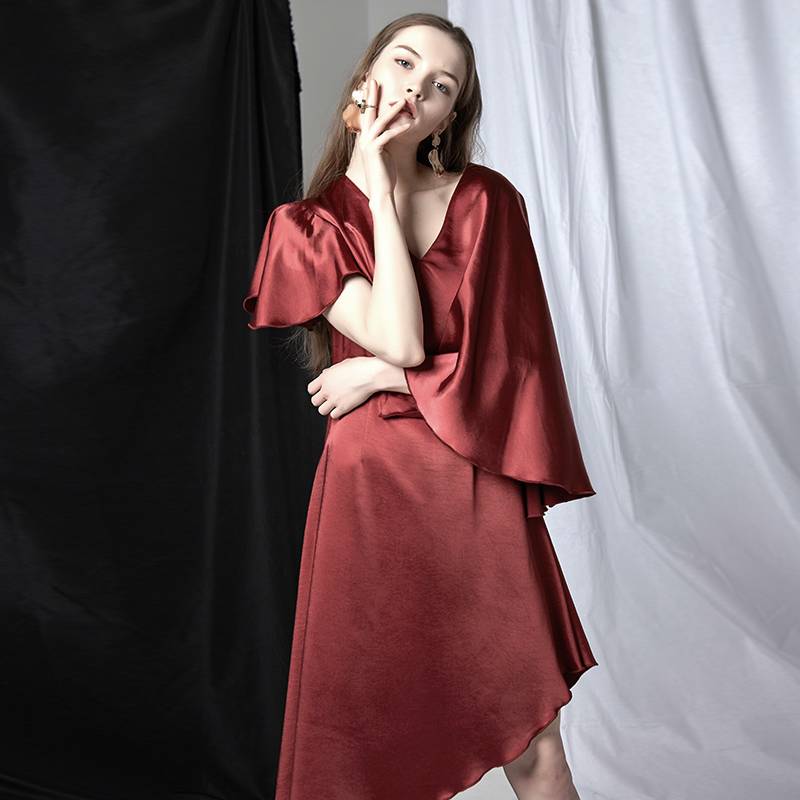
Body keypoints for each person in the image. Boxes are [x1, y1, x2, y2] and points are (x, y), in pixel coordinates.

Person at [243, 12, 598, 800]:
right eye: (404, 64)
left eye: (441, 86)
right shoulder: (305, 228)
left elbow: (516, 369)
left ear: (447, 118)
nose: (416, 89)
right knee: (360, 751)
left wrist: (380, 380)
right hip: (372, 493)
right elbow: (403, 336)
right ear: (365, 78)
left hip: (474, 481)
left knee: (536, 747)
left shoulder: (489, 201)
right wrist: (376, 189)